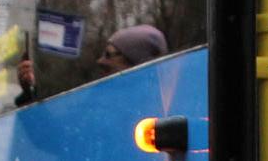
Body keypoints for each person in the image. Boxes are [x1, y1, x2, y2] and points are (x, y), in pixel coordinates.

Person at [16, 24, 167, 104]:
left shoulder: (156, 114)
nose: (100, 61)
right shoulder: (98, 101)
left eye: (108, 54)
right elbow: (57, 136)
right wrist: (29, 93)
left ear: (136, 63)